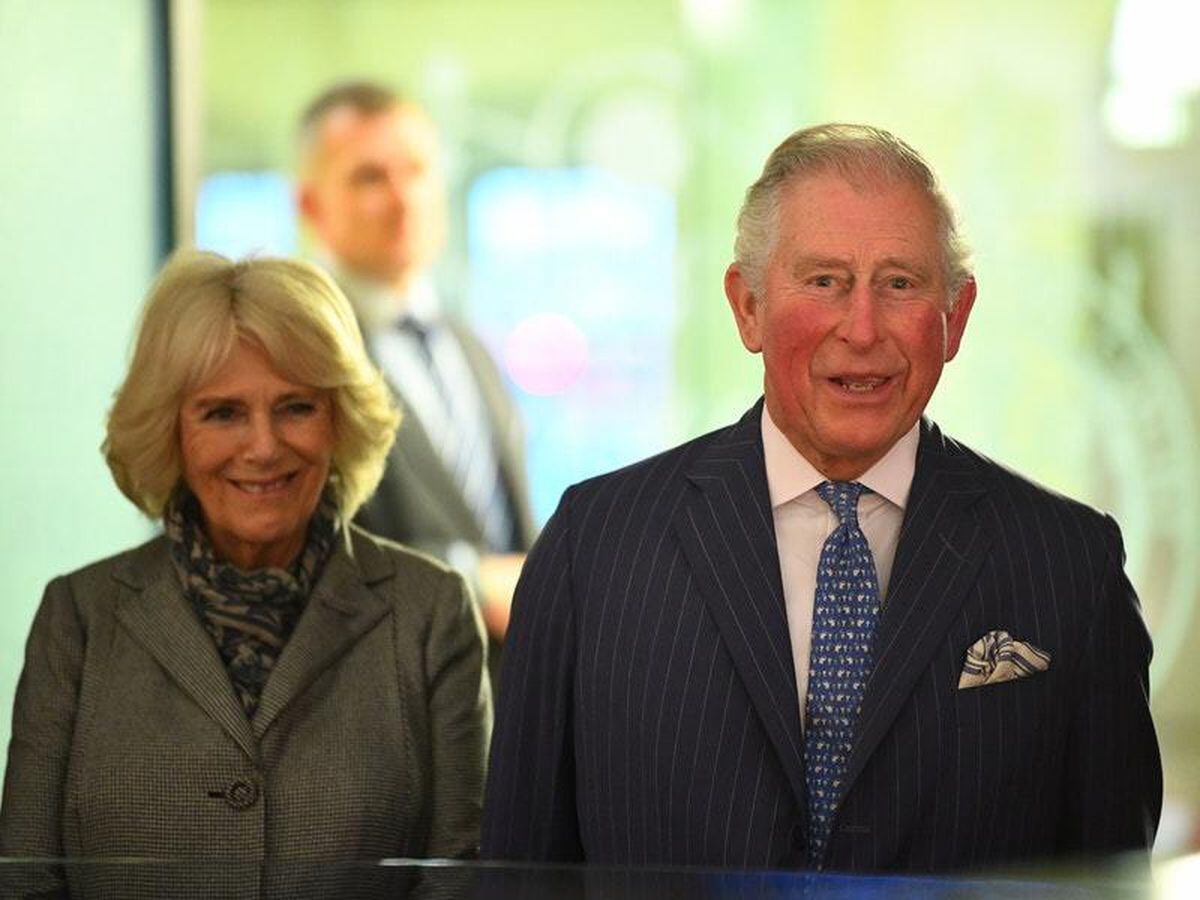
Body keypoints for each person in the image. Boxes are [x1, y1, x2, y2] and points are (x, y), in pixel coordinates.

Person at [482, 124, 1162, 872]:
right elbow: (521, 868)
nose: (862, 328)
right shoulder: (597, 546)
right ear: (747, 308)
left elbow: (1108, 879)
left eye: (900, 283)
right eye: (824, 281)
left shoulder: (1067, 563)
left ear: (955, 318)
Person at [0, 252, 491, 898]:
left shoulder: (430, 612)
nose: (262, 446)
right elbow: (26, 880)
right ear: (169, 429)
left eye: (295, 408)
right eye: (222, 413)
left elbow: (463, 879)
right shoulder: (80, 618)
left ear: (340, 419)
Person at [295, 81, 534, 641]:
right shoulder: (298, 357)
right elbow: (303, 556)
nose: (404, 199)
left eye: (418, 171)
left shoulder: (467, 346)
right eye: (370, 177)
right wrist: (474, 586)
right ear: (311, 206)